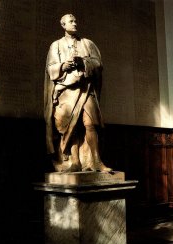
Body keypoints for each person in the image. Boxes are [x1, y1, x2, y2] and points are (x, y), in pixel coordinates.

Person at [44, 14, 112, 173]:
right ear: (63, 25)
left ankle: (96, 161)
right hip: (66, 92)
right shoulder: (56, 45)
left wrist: (83, 62)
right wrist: (63, 66)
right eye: (71, 21)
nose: (75, 23)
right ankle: (74, 162)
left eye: (76, 20)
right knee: (71, 126)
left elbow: (98, 64)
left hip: (85, 89)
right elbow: (50, 68)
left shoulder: (87, 44)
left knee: (90, 123)